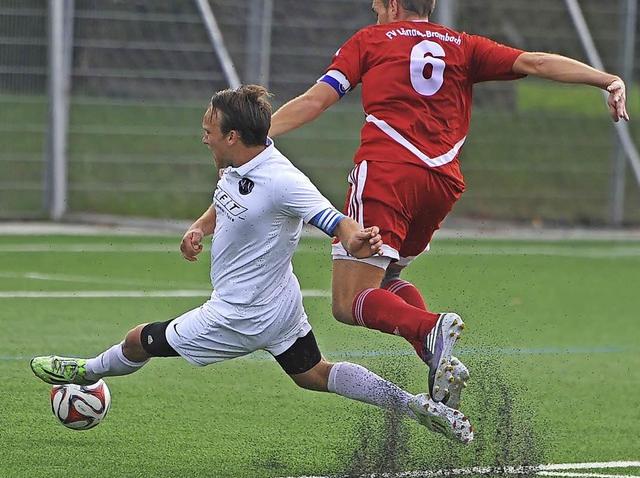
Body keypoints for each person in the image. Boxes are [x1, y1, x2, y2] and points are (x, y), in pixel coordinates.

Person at [268, 0, 631, 410]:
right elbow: (536, 62)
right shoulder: (463, 45)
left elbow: (316, 100)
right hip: (440, 184)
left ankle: (429, 329)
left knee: (349, 302)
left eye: (378, 9)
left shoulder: (371, 40)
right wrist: (607, 79)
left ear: (393, 6)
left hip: (386, 173)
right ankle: (434, 351)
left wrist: (259, 133)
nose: (376, 16)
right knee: (390, 273)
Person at [30, 84, 473, 445]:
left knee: (138, 340)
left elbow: (332, 219)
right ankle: (416, 405)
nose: (203, 137)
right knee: (314, 374)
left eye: (209, 130)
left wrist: (357, 237)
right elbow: (226, 198)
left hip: (240, 314)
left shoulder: (283, 180)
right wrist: (200, 228)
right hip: (279, 302)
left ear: (232, 137)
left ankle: (84, 372)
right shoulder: (239, 161)